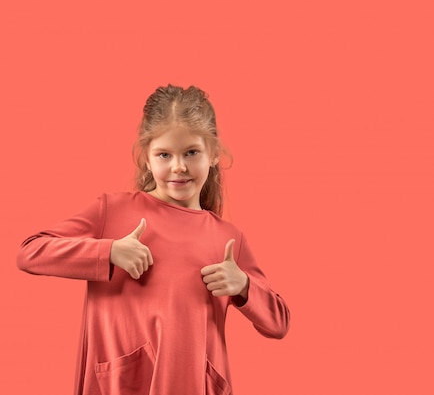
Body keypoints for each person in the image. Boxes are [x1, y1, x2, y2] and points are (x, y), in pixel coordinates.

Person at [17, 84, 290, 395]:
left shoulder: (228, 238)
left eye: (191, 152)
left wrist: (243, 286)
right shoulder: (113, 210)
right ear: (146, 158)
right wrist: (108, 252)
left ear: (213, 153)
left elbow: (278, 323)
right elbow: (31, 252)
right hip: (120, 385)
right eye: (164, 154)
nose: (179, 166)